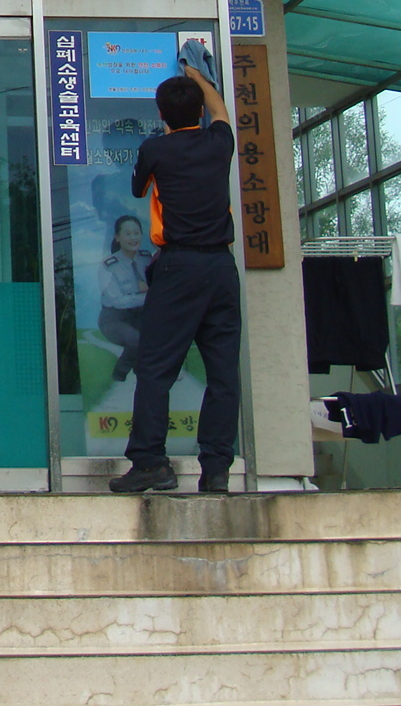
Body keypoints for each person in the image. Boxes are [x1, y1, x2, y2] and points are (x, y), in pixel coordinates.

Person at [110, 59, 240, 495]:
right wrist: (198, 76)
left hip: (178, 266)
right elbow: (221, 112)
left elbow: (138, 188)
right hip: (221, 268)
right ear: (199, 111)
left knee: (155, 368)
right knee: (223, 373)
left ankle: (151, 463)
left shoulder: (156, 150)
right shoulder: (219, 141)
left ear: (161, 114)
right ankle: (216, 470)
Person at [98, 213, 152, 383]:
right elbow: (118, 301)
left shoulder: (147, 258)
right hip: (114, 319)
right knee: (136, 340)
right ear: (117, 237)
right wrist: (149, 295)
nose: (133, 238)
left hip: (141, 315)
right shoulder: (108, 265)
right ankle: (119, 374)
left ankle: (143, 370)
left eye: (137, 233)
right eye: (128, 234)